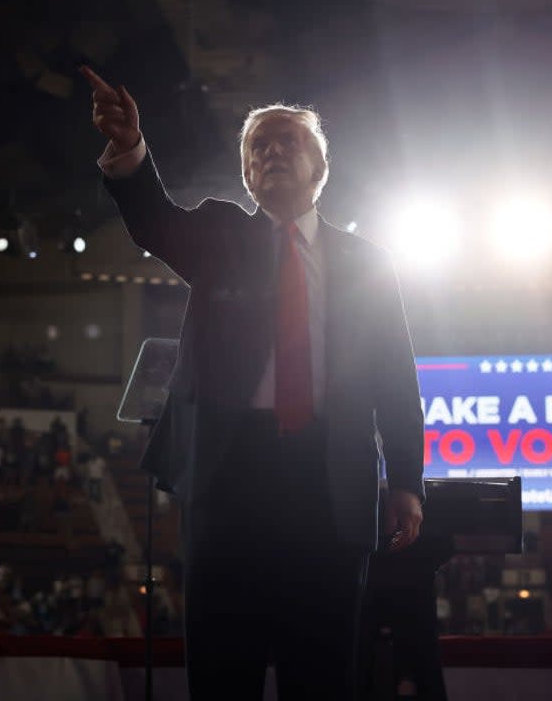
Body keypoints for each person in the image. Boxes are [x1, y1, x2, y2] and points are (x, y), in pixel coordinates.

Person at [83, 66, 425, 700]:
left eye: (287, 140)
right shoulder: (218, 236)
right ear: (245, 174)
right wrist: (132, 147)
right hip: (227, 475)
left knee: (323, 671)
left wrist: (406, 478)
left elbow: (394, 377)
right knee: (222, 668)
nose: (271, 152)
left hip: (331, 478)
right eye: (257, 146)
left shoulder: (369, 263)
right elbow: (152, 220)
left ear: (321, 166)